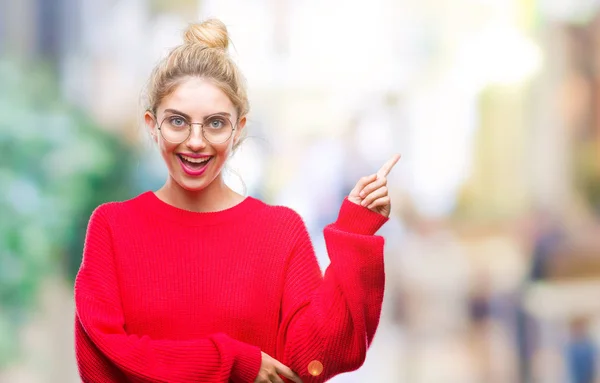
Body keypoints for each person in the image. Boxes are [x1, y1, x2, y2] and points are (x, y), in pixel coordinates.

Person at [74, 18, 400, 383]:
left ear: (239, 128)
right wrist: (233, 361)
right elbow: (103, 360)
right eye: (178, 121)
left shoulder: (280, 231)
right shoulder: (112, 227)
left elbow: (315, 359)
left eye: (215, 123)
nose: (195, 141)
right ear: (152, 124)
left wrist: (356, 234)